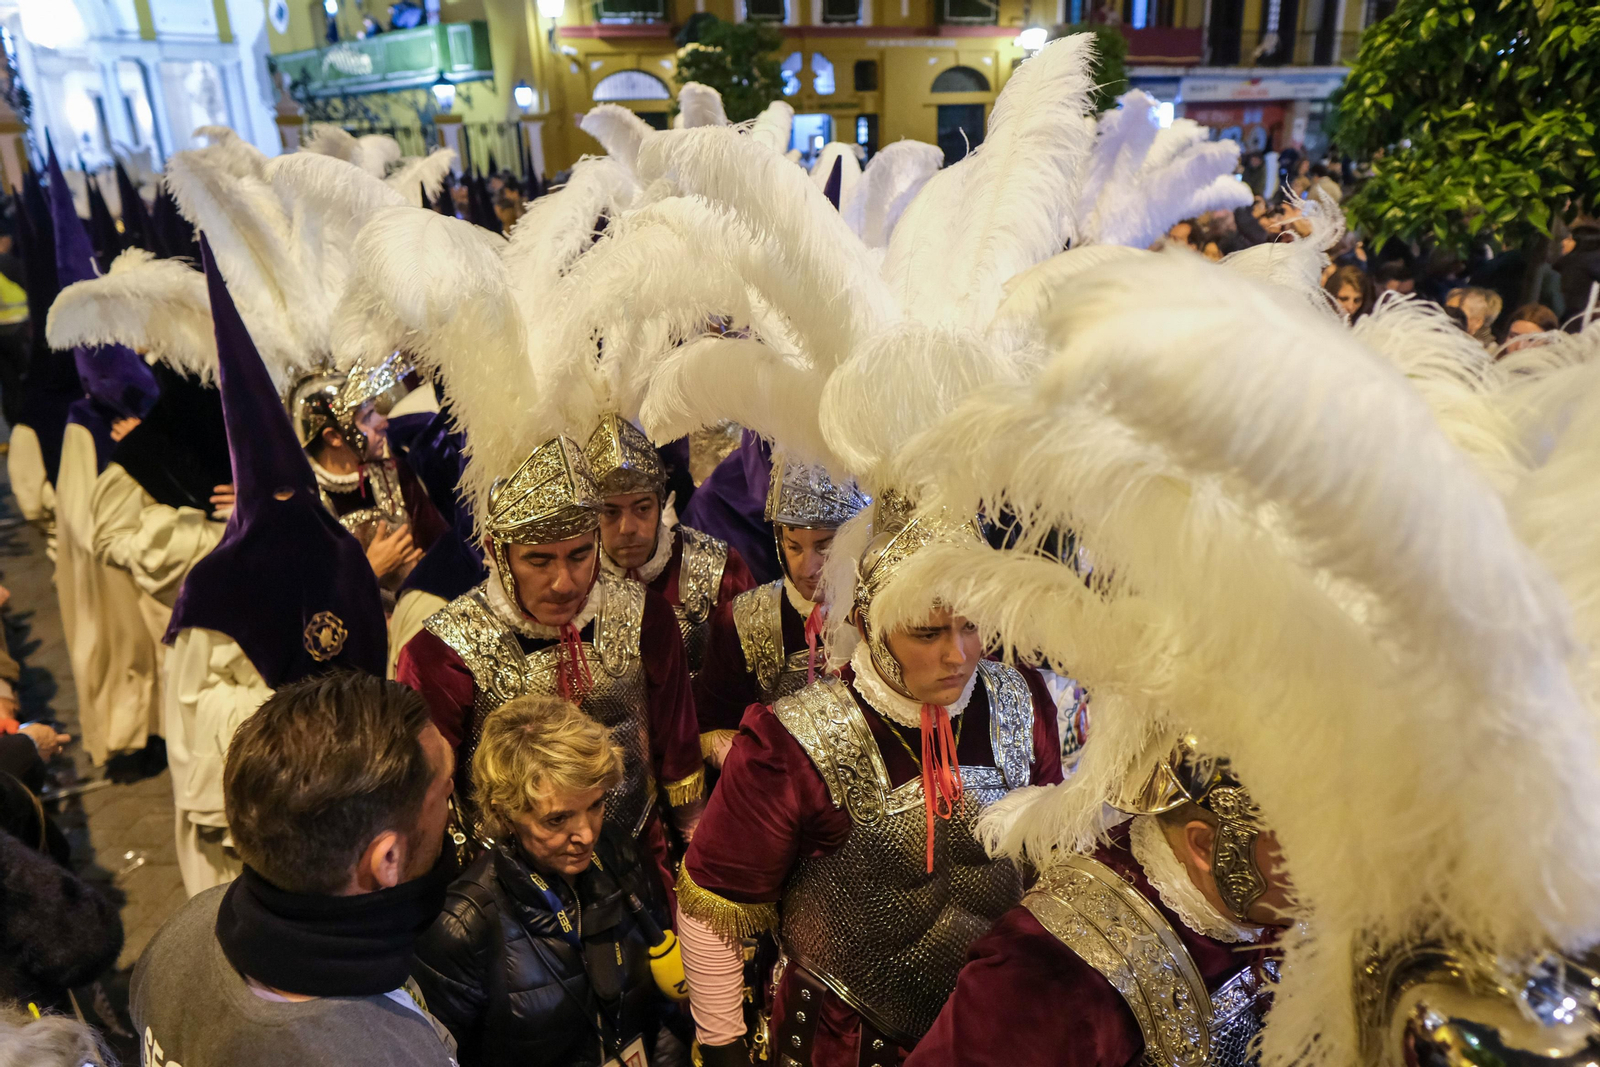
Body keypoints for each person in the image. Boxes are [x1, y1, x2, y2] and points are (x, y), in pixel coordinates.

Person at [676, 494, 1063, 1067]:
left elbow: (1055, 861)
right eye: (927, 633)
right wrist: (725, 1048)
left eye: (972, 626)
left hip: (991, 1031)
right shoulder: (792, 744)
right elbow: (712, 908)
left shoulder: (1020, 698)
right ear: (867, 623)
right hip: (843, 1042)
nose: (957, 656)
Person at [157, 242, 389, 895]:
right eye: (273, 495)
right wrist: (286, 716)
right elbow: (191, 718)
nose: (288, 510)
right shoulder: (212, 590)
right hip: (261, 816)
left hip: (352, 797)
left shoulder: (339, 554)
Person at [395, 436, 705, 886]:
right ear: (498, 553)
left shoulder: (646, 615)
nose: (563, 582)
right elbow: (428, 799)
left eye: (580, 555)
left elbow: (678, 752)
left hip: (637, 871)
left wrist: (698, 866)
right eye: (539, 560)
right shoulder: (441, 651)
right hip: (505, 890)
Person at [130, 672, 459, 1067]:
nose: (452, 804)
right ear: (386, 860)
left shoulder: (182, 932)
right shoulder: (378, 1052)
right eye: (444, 791)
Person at [906, 749, 1285, 1067]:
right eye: (1308, 845)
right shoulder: (1047, 975)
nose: (1338, 871)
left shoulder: (1274, 906)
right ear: (1203, 844)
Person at [412, 694, 673, 1067]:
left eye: (596, 804)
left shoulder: (619, 855)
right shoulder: (464, 925)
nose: (586, 834)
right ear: (505, 814)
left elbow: (661, 1018)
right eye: (557, 819)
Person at [692, 456, 868, 767]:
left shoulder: (889, 618)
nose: (808, 567)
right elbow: (714, 725)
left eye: (825, 547)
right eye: (794, 546)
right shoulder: (742, 620)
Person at [586, 412, 754, 679]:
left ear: (660, 502)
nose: (628, 528)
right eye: (611, 512)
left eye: (642, 508)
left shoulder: (719, 567)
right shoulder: (576, 581)